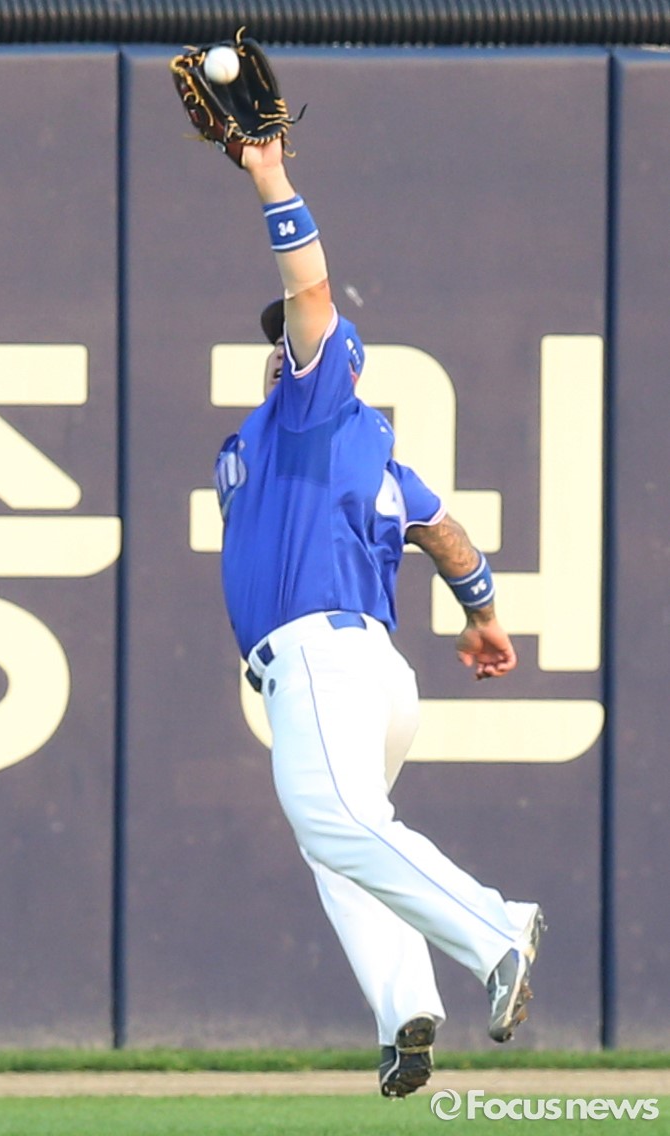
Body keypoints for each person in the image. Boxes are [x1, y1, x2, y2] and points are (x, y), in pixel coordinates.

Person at [213, 135, 544, 1098]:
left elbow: (311, 290)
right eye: (280, 342)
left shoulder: (317, 409)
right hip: (370, 679)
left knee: (337, 820)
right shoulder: (369, 459)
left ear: (335, 365)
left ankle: (496, 929)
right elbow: (445, 533)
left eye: (293, 341)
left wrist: (269, 175)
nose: (281, 349)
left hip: (324, 661)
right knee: (342, 840)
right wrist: (484, 615)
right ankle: (406, 1010)